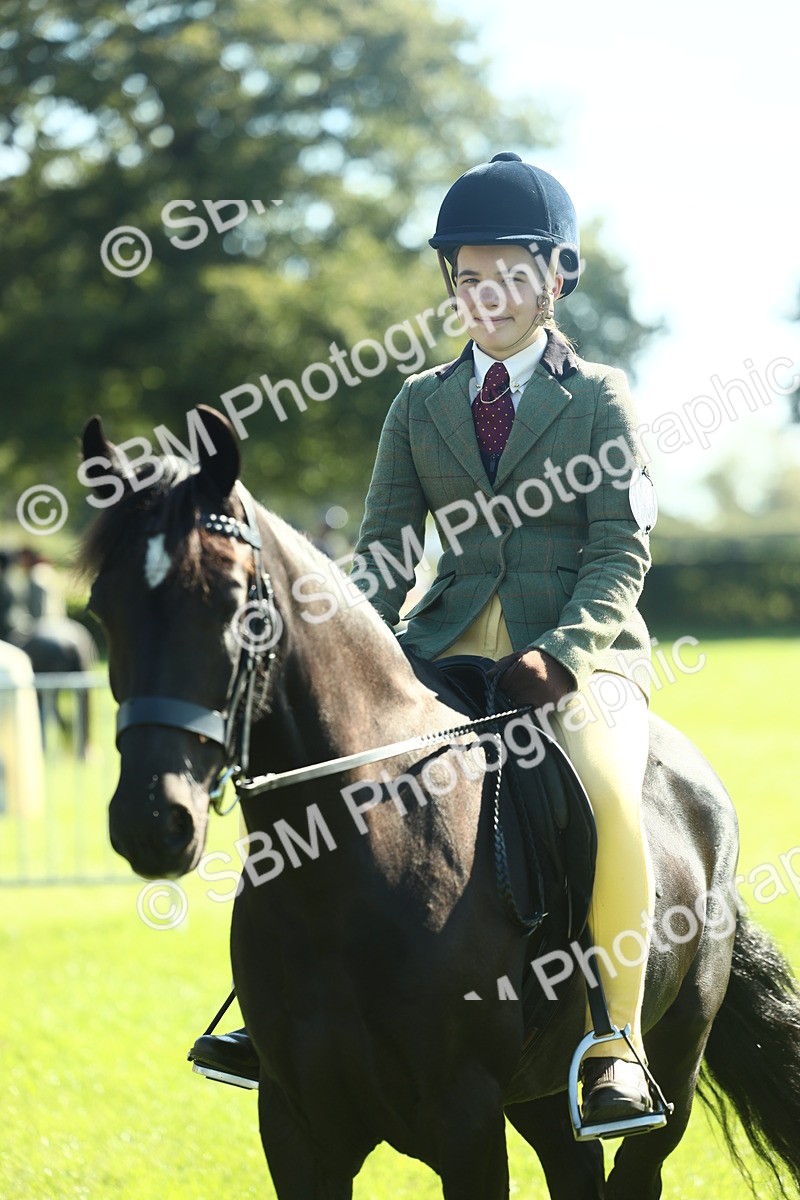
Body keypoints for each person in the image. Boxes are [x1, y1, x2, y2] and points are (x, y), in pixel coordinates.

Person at [191, 152, 660, 1130]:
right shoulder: (418, 402)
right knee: (333, 775)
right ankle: (276, 1003)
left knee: (607, 794)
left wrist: (566, 650)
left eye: (509, 276)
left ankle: (615, 1039)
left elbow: (620, 549)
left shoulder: (601, 398)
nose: (486, 295)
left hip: (577, 656)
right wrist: (328, 641)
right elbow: (381, 549)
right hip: (440, 645)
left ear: (554, 278)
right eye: (468, 278)